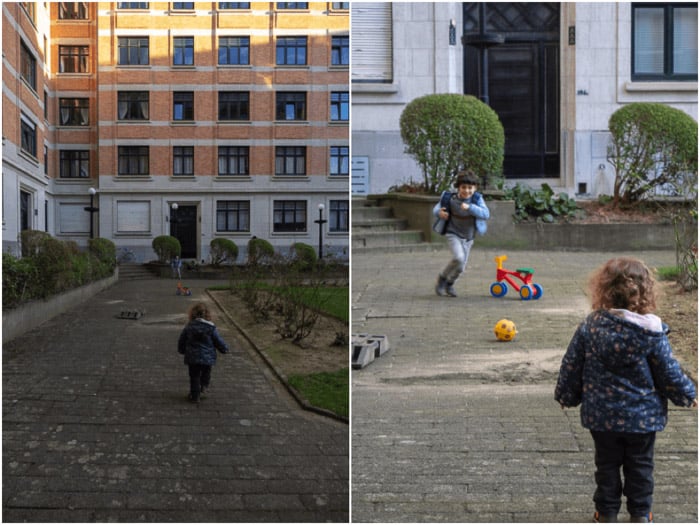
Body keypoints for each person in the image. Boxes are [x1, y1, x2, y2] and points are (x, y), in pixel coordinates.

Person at [555, 257, 697, 523]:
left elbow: (572, 364)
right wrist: (687, 395)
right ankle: (641, 514)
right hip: (642, 419)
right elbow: (668, 372)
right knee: (641, 466)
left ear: (603, 289)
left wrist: (566, 395)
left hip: (602, 417)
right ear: (645, 293)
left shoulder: (590, 326)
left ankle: (606, 513)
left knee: (606, 465)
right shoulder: (651, 332)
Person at [433, 170, 490, 297]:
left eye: (470, 188)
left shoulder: (477, 199)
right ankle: (442, 278)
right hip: (453, 233)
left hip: (468, 238)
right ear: (458, 187)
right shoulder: (450, 198)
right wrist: (439, 213)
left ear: (475, 188)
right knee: (458, 258)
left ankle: (449, 283)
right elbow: (436, 209)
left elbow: (486, 214)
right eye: (463, 187)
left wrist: (470, 208)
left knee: (460, 268)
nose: (467, 191)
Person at [178, 302, 229, 403]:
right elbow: (218, 340)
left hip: (192, 357)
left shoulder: (189, 327)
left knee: (194, 376)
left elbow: (182, 340)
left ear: (192, 314)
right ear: (207, 314)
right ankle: (203, 386)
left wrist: (182, 349)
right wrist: (224, 348)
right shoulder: (211, 328)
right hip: (207, 357)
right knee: (206, 372)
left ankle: (195, 395)